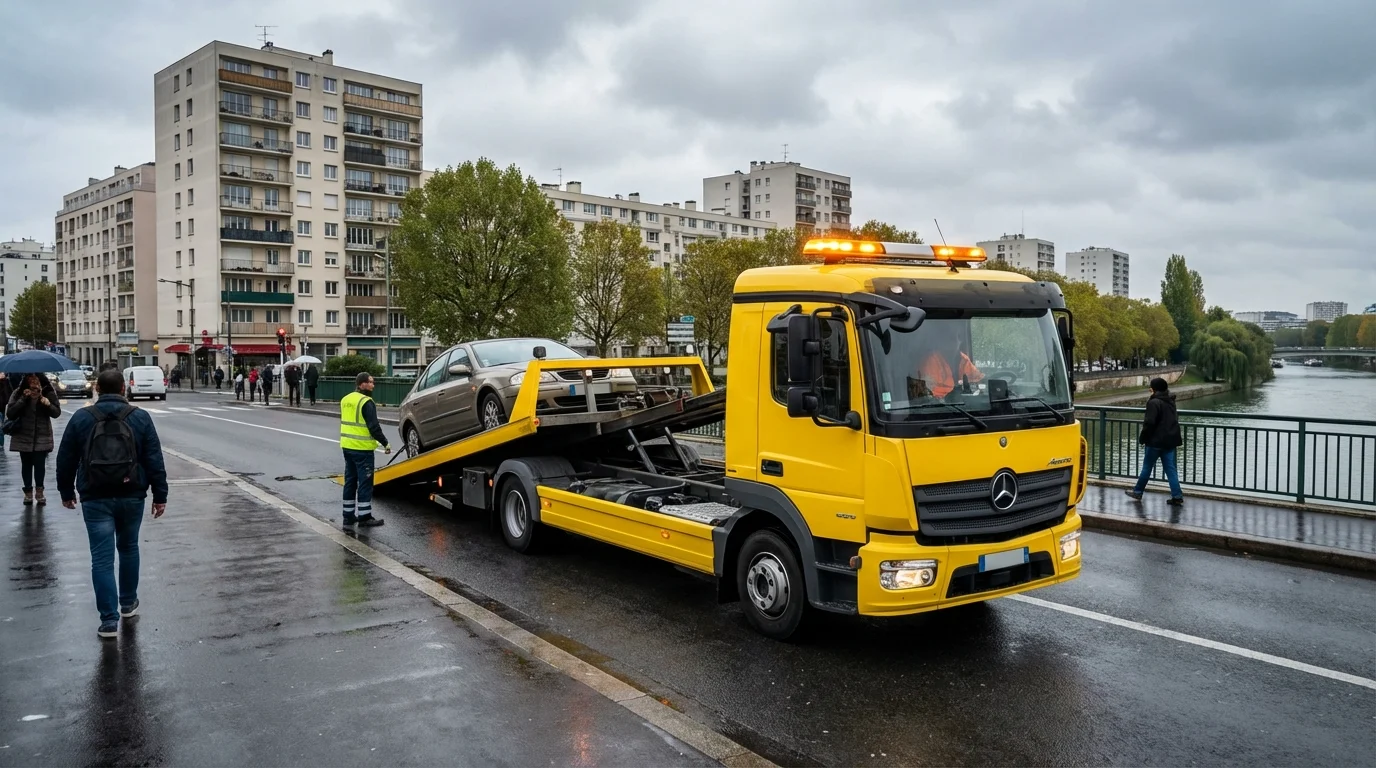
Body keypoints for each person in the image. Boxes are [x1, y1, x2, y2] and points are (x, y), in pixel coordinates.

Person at [56, 369, 168, 639]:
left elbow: (66, 457)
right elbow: (154, 458)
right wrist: (160, 495)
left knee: (102, 559)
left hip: (95, 496)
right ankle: (128, 603)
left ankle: (108, 621)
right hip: (132, 494)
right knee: (129, 548)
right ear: (123, 390)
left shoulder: (83, 418)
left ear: (97, 390)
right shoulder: (139, 417)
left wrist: (66, 491)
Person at [340, 372, 390, 528]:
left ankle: (348, 515)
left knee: (350, 481)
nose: (373, 385)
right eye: (370, 382)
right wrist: (385, 443)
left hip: (347, 447)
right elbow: (373, 427)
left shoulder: (346, 399)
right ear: (362, 384)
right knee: (365, 483)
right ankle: (364, 517)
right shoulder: (366, 402)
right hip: (362, 449)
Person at [1126, 377, 1184, 506]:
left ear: (1155, 389)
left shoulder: (1154, 402)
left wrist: (1143, 438)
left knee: (1147, 467)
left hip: (1155, 442)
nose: (1149, 389)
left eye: (1151, 387)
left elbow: (1149, 423)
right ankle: (1177, 496)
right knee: (1171, 469)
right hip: (1169, 441)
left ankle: (1138, 492)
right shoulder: (1170, 400)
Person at [7, 373, 62, 505]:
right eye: (30, 378)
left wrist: (47, 404)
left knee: (39, 465)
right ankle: (27, 493)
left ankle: (39, 492)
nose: (33, 381)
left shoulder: (48, 392)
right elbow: (10, 413)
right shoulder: (18, 392)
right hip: (23, 435)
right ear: (25, 380)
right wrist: (23, 399)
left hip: (41, 435)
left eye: (35, 378)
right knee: (26, 465)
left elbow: (56, 413)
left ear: (40, 379)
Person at [914, 332, 984, 399]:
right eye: (949, 338)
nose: (952, 342)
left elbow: (979, 381)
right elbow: (931, 394)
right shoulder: (930, 361)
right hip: (940, 408)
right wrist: (954, 394)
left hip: (960, 407)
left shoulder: (963, 359)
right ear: (940, 340)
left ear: (960, 340)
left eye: (956, 337)